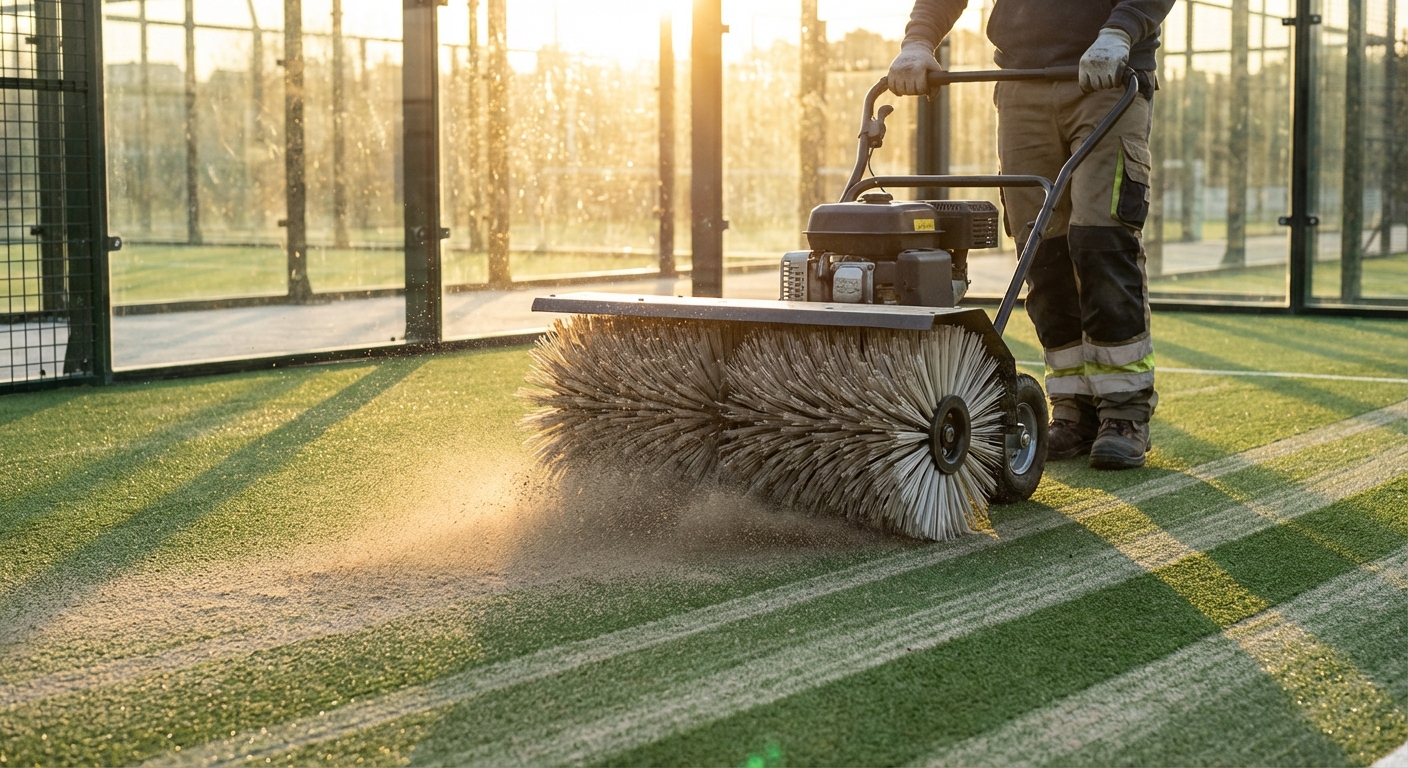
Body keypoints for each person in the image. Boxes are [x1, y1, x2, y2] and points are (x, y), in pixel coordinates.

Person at [889, 0, 1175, 470]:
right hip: (1022, 82)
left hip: (1108, 77)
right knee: (1041, 253)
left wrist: (1120, 32)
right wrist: (918, 41)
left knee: (1102, 241)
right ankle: (1072, 409)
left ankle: (1124, 412)